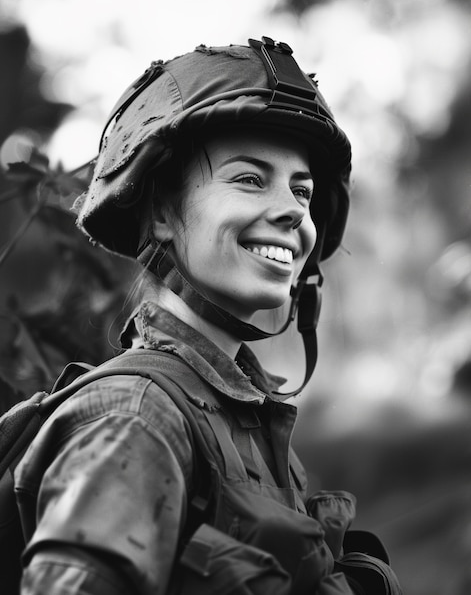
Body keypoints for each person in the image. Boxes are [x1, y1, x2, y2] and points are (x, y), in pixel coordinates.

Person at [14, 37, 401, 594]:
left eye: (302, 190)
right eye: (249, 178)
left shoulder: (243, 411)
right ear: (164, 213)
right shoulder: (136, 415)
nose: (294, 210)